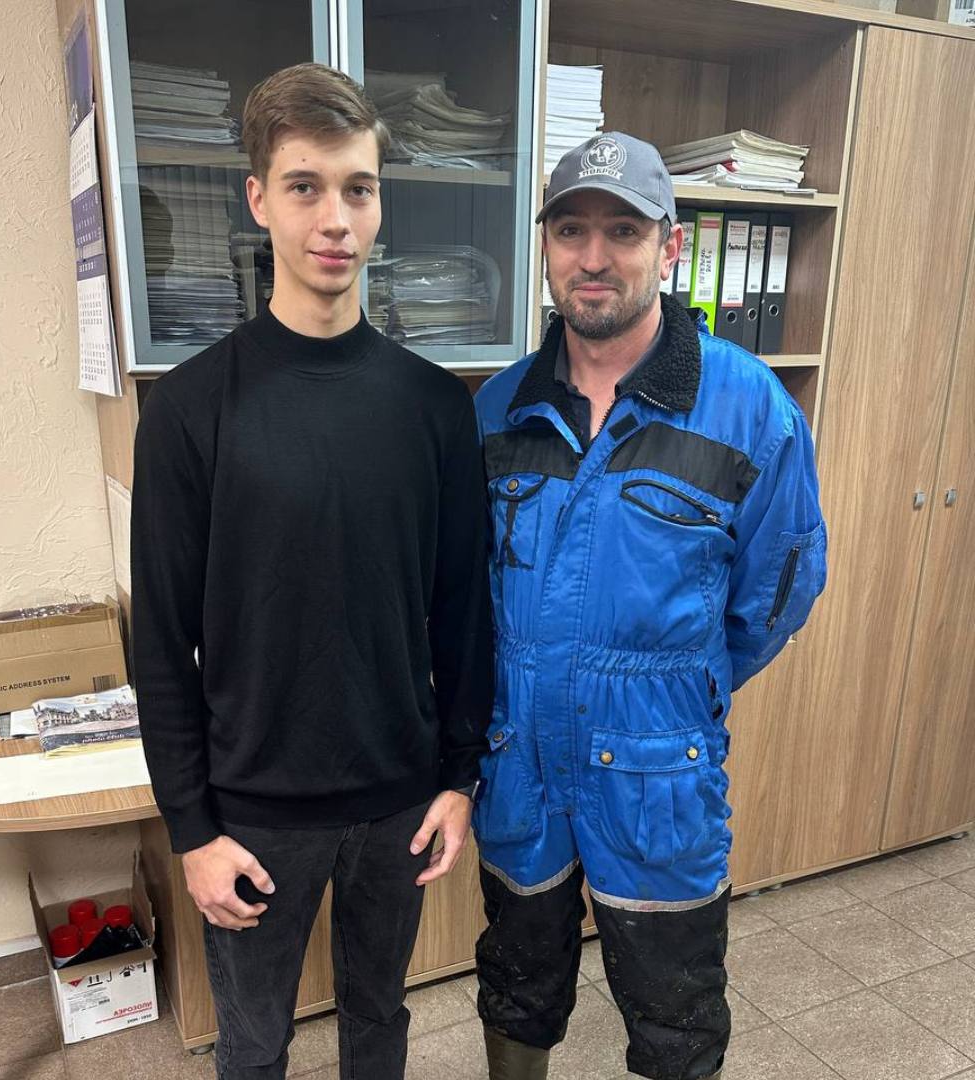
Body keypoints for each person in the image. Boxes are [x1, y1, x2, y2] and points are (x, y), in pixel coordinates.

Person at [130, 62, 492, 1080]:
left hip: (399, 801)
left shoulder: (434, 407)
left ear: (379, 202)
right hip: (251, 813)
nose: (335, 218)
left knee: (380, 1020)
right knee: (253, 1046)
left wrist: (460, 776)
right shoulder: (190, 411)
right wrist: (191, 829)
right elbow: (160, 644)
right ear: (259, 200)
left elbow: (464, 611)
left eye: (358, 188)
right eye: (305, 187)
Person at [471, 132, 827, 1080]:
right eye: (572, 231)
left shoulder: (751, 409)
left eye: (623, 231)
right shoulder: (497, 411)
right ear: (546, 247)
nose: (595, 257)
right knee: (515, 983)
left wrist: (682, 687)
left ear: (669, 248)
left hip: (659, 769)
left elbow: (777, 591)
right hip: (518, 763)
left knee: (676, 1017)